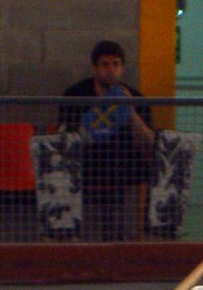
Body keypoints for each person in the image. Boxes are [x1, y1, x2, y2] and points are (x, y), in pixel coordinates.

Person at [58, 40, 155, 241]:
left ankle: (131, 236)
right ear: (95, 67)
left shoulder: (136, 98)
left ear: (122, 67)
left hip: (122, 164)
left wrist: (130, 111)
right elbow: (64, 137)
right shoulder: (75, 95)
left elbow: (149, 141)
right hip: (87, 162)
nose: (110, 70)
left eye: (116, 64)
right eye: (105, 64)